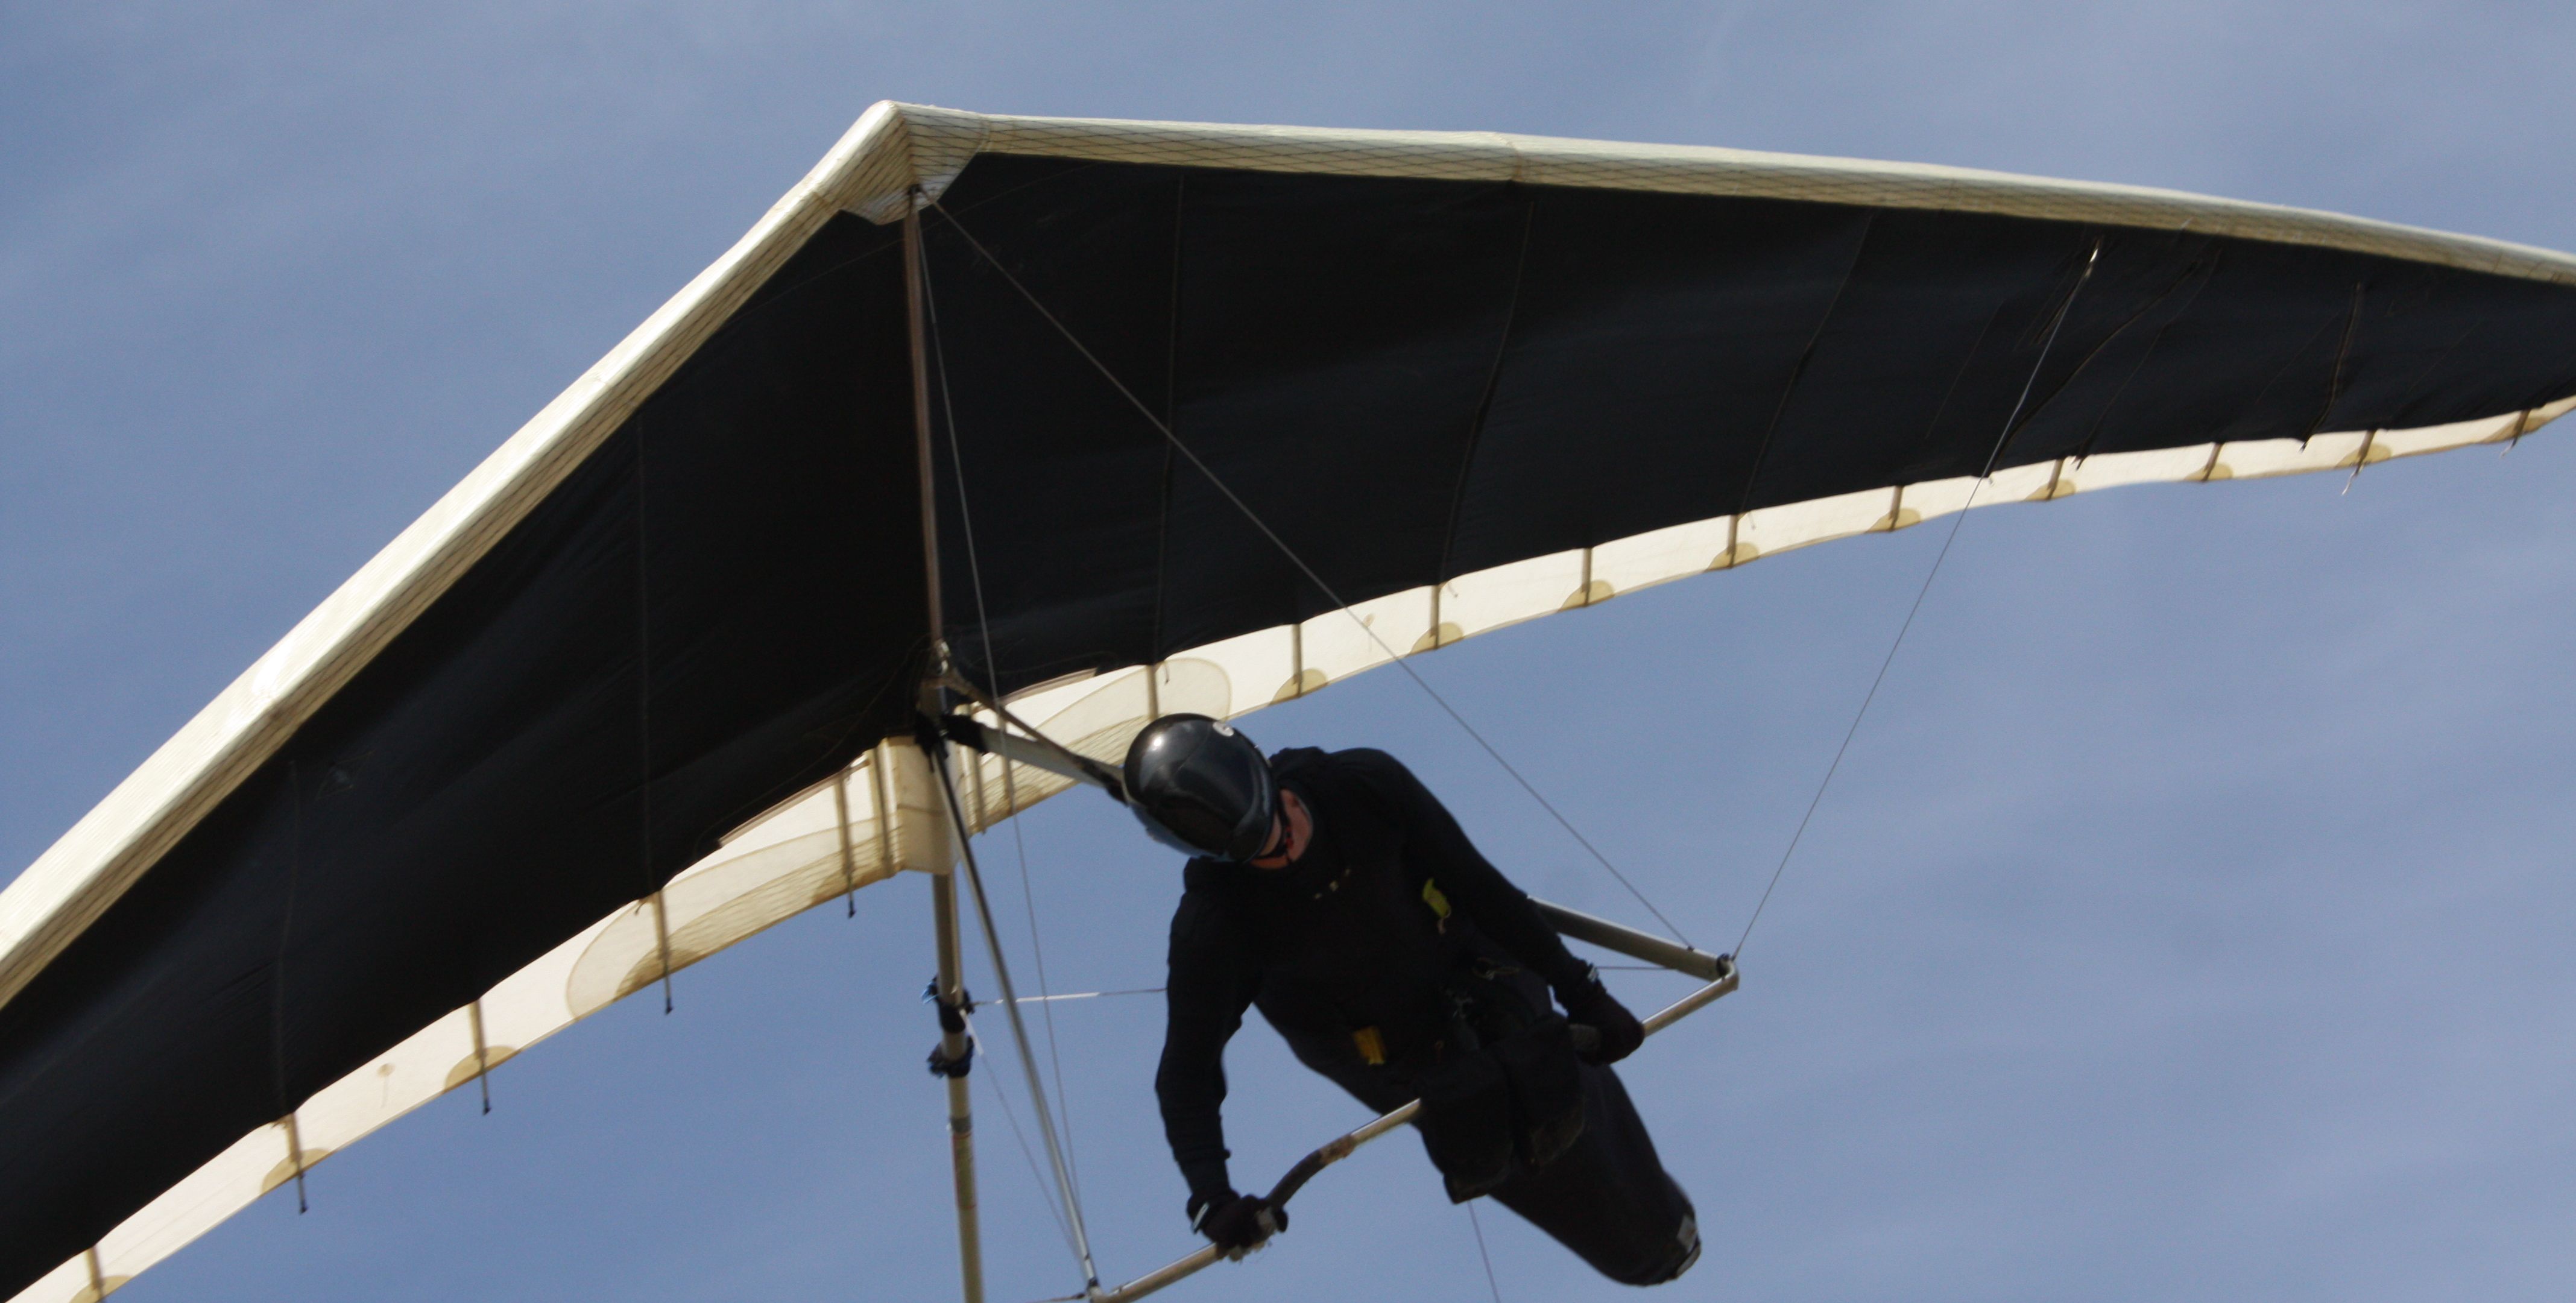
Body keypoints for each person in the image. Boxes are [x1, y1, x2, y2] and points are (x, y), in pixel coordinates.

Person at [1128, 713, 1702, 1285]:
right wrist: (1210, 1195)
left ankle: (1664, 1232)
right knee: (1488, 1130)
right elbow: (1186, 1070)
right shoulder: (1215, 924)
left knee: (1550, 1077)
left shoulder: (1359, 784)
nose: (1287, 850)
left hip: (1471, 967)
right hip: (1379, 1048)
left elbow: (1482, 887)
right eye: (1260, 854)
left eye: (1286, 828)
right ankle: (1644, 1256)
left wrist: (1582, 990)